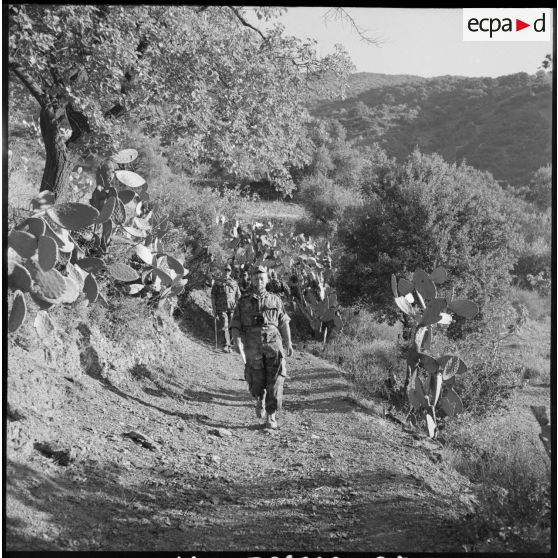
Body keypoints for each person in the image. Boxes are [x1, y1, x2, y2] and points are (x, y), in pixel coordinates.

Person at [230, 266, 293, 430]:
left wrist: (289, 343)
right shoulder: (243, 302)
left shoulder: (275, 300)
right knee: (256, 379)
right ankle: (260, 398)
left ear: (267, 280)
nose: (259, 281)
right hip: (252, 345)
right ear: (251, 279)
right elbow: (235, 324)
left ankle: (271, 415)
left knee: (276, 380)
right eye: (256, 278)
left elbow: (284, 322)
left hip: (273, 345)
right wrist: (237, 341)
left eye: (262, 278)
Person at [210, 264, 241, 353]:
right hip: (221, 308)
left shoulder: (234, 283)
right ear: (222, 270)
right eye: (225, 270)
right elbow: (213, 296)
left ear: (230, 272)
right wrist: (214, 308)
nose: (227, 271)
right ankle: (225, 345)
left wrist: (237, 305)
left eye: (229, 270)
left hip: (232, 309)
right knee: (224, 325)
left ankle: (229, 345)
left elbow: (238, 295)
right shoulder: (217, 282)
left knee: (231, 327)